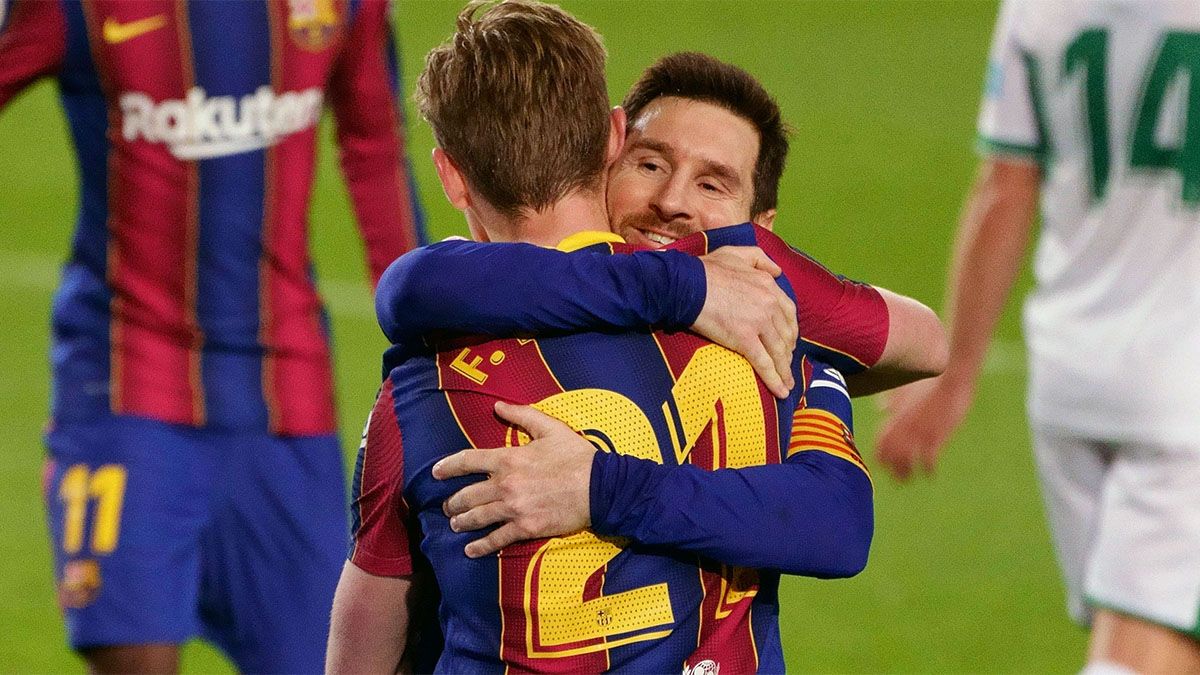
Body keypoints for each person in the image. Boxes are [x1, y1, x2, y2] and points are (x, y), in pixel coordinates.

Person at [326, 1, 897, 671]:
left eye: (711, 182)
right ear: (613, 141)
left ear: (450, 175)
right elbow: (842, 513)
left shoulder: (424, 388)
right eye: (654, 165)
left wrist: (602, 487)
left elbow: (365, 638)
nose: (673, 203)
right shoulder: (767, 323)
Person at [0, 0, 425, 671]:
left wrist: (429, 336)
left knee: (328, 660)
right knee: (135, 655)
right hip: (125, 387)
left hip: (289, 402)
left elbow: (375, 146)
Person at [875, 1, 1200, 672]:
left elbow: (1004, 188)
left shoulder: (1038, 7)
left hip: (1070, 385)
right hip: (1181, 398)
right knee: (1144, 649)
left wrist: (955, 372)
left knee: (1156, 637)